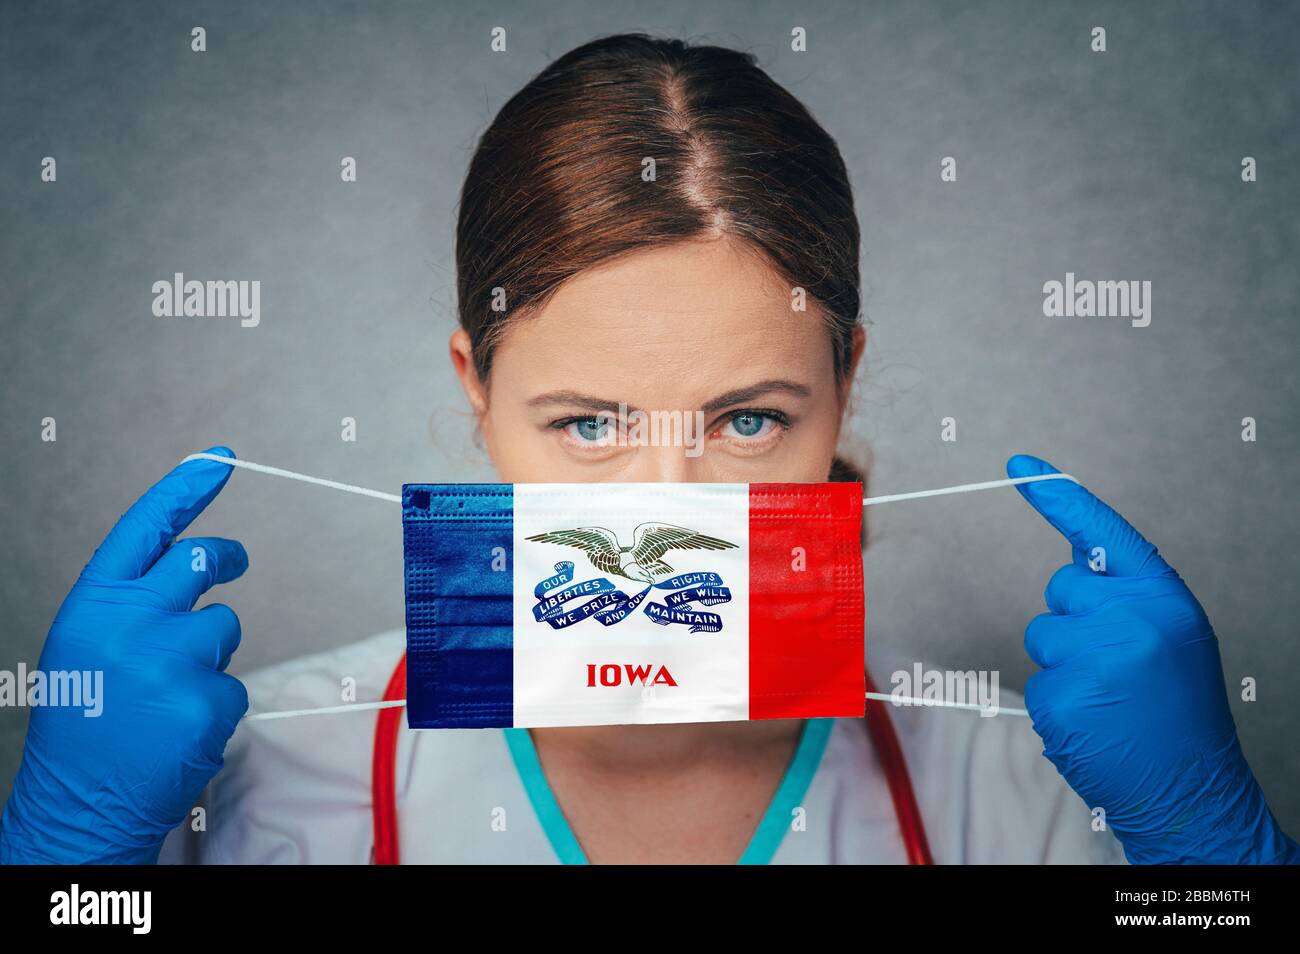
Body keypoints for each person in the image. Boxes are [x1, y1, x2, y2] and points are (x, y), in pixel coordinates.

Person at [1, 34, 1294, 866]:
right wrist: (66, 869)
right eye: (587, 424)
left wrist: (1216, 859)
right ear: (477, 390)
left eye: (748, 420)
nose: (667, 506)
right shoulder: (246, 779)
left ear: (842, 388)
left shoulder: (1030, 792)